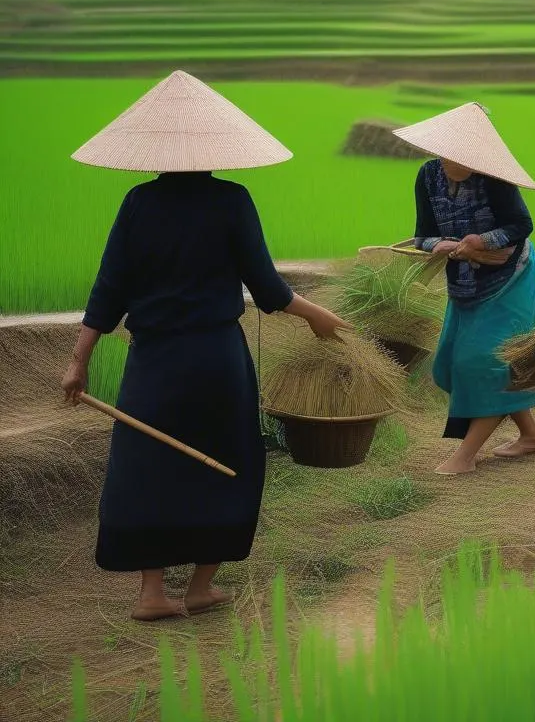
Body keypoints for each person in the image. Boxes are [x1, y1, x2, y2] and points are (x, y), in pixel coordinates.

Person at [60, 71, 349, 622]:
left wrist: (79, 362)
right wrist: (316, 316)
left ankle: (151, 592)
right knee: (228, 460)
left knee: (150, 461)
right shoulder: (232, 200)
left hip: (155, 362)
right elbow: (267, 289)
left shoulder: (138, 203)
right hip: (216, 358)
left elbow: (108, 290)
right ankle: (199, 585)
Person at [392, 103, 535, 476]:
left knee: (482, 361)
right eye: (445, 155)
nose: (449, 163)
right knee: (449, 363)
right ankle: (532, 436)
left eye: (458, 156)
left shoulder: (494, 179)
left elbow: (521, 225)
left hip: (510, 278)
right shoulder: (427, 176)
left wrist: (481, 240)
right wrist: (439, 246)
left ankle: (464, 457)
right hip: (463, 279)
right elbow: (423, 234)